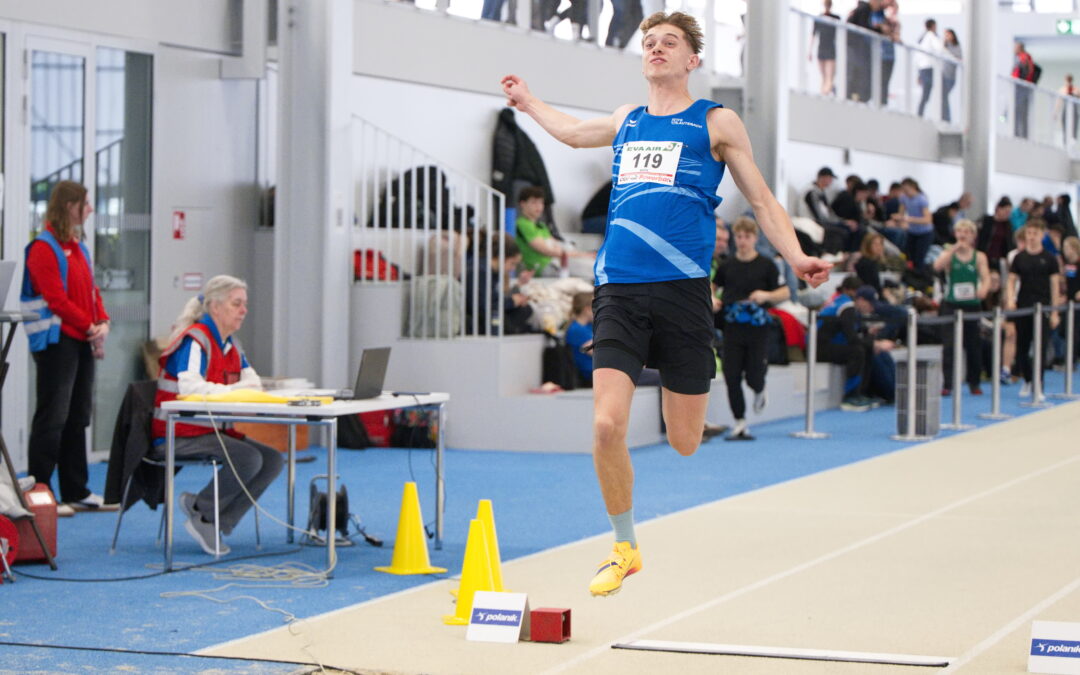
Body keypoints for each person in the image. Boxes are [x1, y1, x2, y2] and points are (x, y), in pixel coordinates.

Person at [500, 11, 831, 597]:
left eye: (668, 43)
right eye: (649, 42)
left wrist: (797, 257)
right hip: (619, 291)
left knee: (684, 440)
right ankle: (625, 546)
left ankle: (680, 420)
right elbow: (576, 133)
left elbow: (761, 199)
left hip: (682, 296)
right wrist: (529, 102)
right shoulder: (628, 120)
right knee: (606, 425)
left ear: (691, 60)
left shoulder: (716, 122)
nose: (655, 49)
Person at [152, 275, 284, 555]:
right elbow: (190, 387)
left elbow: (254, 383)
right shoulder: (195, 340)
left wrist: (231, 389)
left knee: (272, 460)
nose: (243, 311)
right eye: (237, 304)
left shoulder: (232, 344)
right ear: (216, 308)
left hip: (211, 430)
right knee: (248, 458)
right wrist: (233, 389)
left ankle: (212, 518)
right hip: (178, 432)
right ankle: (204, 513)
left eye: (244, 304)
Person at [21, 180, 113, 514]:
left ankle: (77, 490)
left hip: (80, 340)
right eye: (85, 203)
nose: (90, 208)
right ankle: (41, 491)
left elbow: (90, 291)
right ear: (69, 205)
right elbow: (55, 299)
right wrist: (90, 327)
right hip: (57, 343)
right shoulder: (43, 248)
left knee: (78, 416)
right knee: (52, 417)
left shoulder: (78, 246)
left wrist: (103, 322)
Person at [713, 217, 789, 441]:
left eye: (747, 237)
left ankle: (759, 388)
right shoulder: (727, 265)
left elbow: (784, 292)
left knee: (754, 374)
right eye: (739, 237)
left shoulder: (766, 265)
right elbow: (713, 285)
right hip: (732, 326)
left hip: (758, 327)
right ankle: (740, 421)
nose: (742, 241)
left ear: (755, 238)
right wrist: (712, 298)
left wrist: (766, 295)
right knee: (731, 375)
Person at [933, 219, 990, 396]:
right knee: (949, 346)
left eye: (967, 232)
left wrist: (984, 289)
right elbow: (937, 266)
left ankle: (974, 382)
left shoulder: (979, 256)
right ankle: (948, 383)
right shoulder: (950, 253)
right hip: (951, 304)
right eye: (960, 231)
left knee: (973, 345)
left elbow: (986, 276)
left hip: (971, 305)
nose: (963, 235)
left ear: (973, 235)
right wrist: (953, 250)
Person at [1007, 220, 1063, 399]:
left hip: (1043, 307)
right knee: (1022, 348)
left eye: (1035, 234)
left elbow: (1055, 286)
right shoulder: (1019, 257)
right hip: (1023, 307)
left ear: (1041, 235)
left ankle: (1039, 384)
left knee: (1040, 347)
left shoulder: (1049, 259)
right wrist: (1010, 298)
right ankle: (1028, 379)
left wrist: (1054, 312)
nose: (1031, 237)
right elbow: (1011, 280)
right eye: (1029, 234)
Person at [817, 276, 877, 411]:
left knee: (864, 347)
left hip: (822, 346)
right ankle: (850, 396)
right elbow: (851, 337)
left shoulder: (839, 302)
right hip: (820, 349)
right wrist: (872, 342)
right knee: (857, 351)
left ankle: (861, 392)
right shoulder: (846, 306)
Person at [465, 232, 534, 335]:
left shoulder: (491, 271)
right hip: (479, 321)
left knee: (525, 310)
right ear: (501, 257)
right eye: (512, 263)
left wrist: (515, 295)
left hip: (486, 316)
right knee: (522, 312)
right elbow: (483, 307)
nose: (513, 269)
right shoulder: (479, 271)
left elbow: (494, 299)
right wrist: (512, 302)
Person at [515, 185, 589, 276]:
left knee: (589, 266)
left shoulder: (541, 225)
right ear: (523, 204)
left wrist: (583, 254)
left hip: (553, 264)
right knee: (587, 270)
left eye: (541, 202)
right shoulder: (523, 224)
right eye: (534, 202)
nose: (538, 206)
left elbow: (558, 246)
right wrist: (582, 255)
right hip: (540, 269)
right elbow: (548, 250)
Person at [899, 178, 933, 271]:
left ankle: (919, 276)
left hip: (924, 232)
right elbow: (901, 213)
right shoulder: (903, 198)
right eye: (903, 190)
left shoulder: (921, 199)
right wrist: (900, 219)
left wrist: (910, 219)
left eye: (906, 190)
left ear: (913, 187)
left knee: (919, 258)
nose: (905, 192)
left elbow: (927, 219)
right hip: (912, 231)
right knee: (908, 256)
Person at [810, 0, 840, 96]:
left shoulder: (835, 18)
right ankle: (824, 94)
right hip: (822, 48)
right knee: (824, 77)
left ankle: (826, 92)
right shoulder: (819, 18)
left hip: (830, 48)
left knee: (829, 77)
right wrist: (810, 51)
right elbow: (813, 34)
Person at [565, 291, 595, 386]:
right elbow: (599, 353)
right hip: (590, 374)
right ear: (587, 309)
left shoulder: (589, 327)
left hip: (600, 371)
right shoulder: (576, 329)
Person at [978, 197, 1015, 271]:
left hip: (999, 260)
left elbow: (1009, 243)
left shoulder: (1008, 225)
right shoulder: (987, 220)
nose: (1008, 214)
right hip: (985, 256)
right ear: (999, 209)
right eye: (1006, 211)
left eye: (1009, 212)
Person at [915, 19, 943, 118]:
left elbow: (918, 56)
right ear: (933, 26)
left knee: (925, 92)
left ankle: (920, 112)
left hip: (922, 68)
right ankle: (920, 113)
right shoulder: (931, 36)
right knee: (926, 92)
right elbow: (940, 48)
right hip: (928, 67)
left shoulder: (923, 38)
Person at [1012, 41, 1037, 139]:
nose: (1013, 49)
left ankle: (1020, 135)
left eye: (1015, 47)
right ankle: (1020, 134)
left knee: (1020, 113)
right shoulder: (1023, 58)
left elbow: (1024, 73)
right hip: (1020, 88)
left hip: (1021, 89)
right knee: (1019, 113)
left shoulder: (1024, 58)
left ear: (1019, 48)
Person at [941, 29, 961, 123]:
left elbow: (959, 58)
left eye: (948, 35)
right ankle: (944, 117)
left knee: (944, 97)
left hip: (950, 76)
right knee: (943, 97)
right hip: (943, 75)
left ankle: (947, 118)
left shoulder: (956, 47)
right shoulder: (944, 46)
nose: (947, 37)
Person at [1055, 74, 1079, 143]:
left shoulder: (1076, 89)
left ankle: (1072, 143)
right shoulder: (1063, 89)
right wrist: (1056, 112)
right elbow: (1059, 101)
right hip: (1066, 110)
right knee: (1065, 127)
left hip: (1074, 111)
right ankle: (1065, 143)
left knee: (1074, 129)